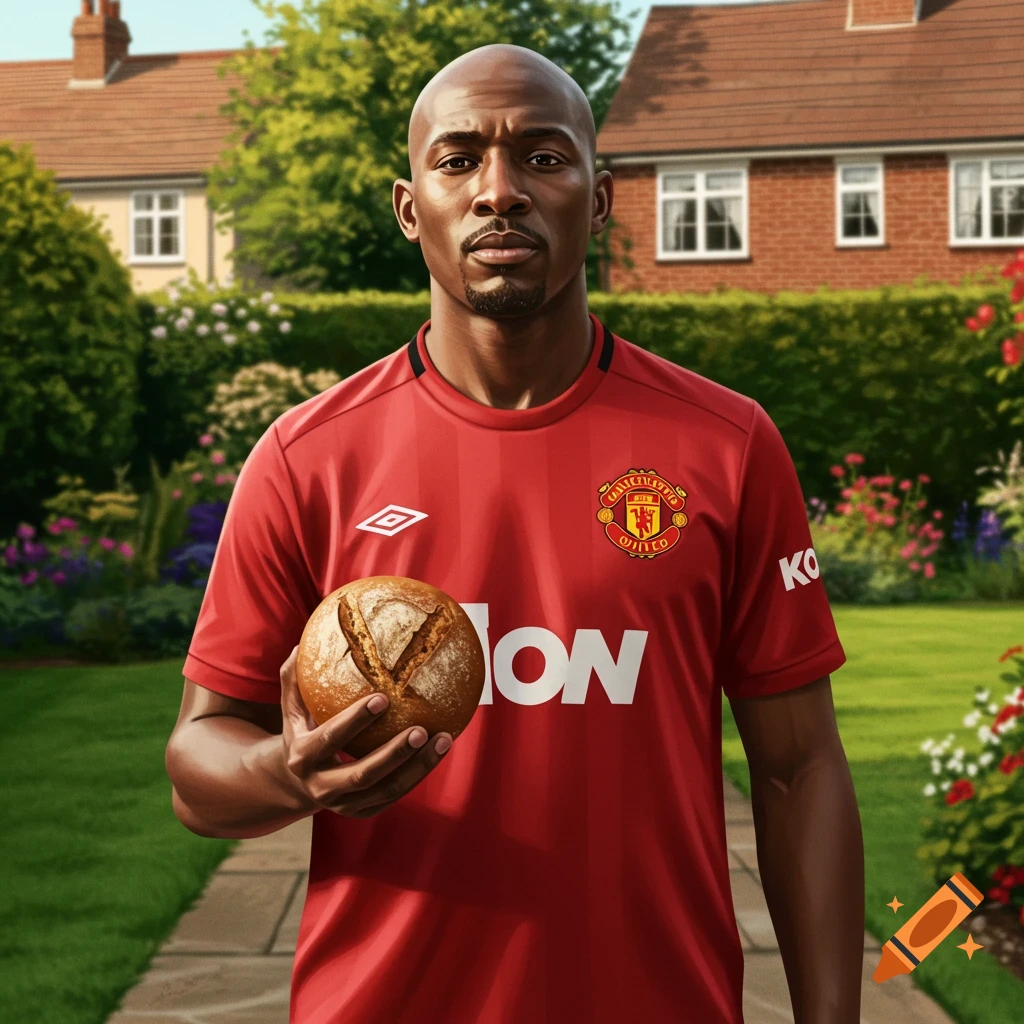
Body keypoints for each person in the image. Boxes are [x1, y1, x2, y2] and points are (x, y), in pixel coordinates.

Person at [167, 43, 864, 1023]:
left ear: (601, 193)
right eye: (458, 160)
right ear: (411, 207)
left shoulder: (725, 444)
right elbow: (199, 765)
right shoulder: (306, 458)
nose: (499, 190)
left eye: (542, 156)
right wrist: (289, 772)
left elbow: (798, 769)